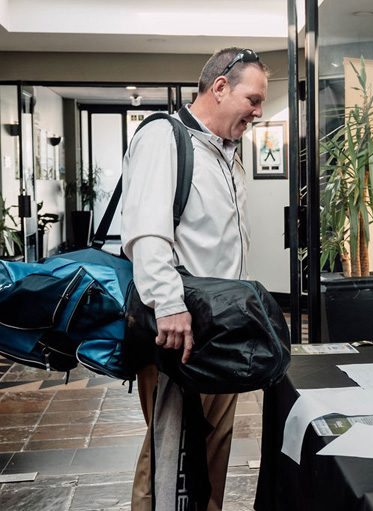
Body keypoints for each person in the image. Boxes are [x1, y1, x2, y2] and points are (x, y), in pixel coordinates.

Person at [122, 47, 268, 511]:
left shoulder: (226, 153)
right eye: (253, 99)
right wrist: (168, 306)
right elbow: (147, 233)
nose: (258, 112)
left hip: (222, 330)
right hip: (179, 331)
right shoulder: (164, 138)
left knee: (213, 448)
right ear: (220, 87)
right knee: (171, 455)